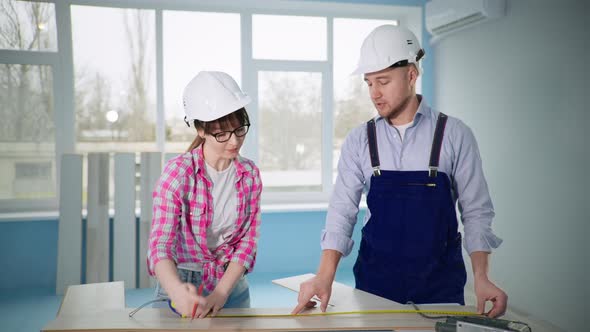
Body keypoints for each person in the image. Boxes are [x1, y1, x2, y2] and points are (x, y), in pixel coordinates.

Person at [292, 25, 507, 317]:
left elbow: (477, 212)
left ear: (411, 75)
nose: (374, 93)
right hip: (375, 284)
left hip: (440, 285)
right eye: (369, 83)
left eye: (383, 81)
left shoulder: (454, 134)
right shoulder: (359, 140)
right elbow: (342, 211)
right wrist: (324, 275)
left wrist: (481, 277)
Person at [147, 71, 262, 319]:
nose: (234, 141)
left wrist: (221, 292)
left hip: (231, 285)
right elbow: (160, 245)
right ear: (200, 129)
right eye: (222, 134)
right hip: (180, 284)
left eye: (240, 129)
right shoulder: (177, 174)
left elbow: (247, 243)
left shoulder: (250, 174)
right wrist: (177, 292)